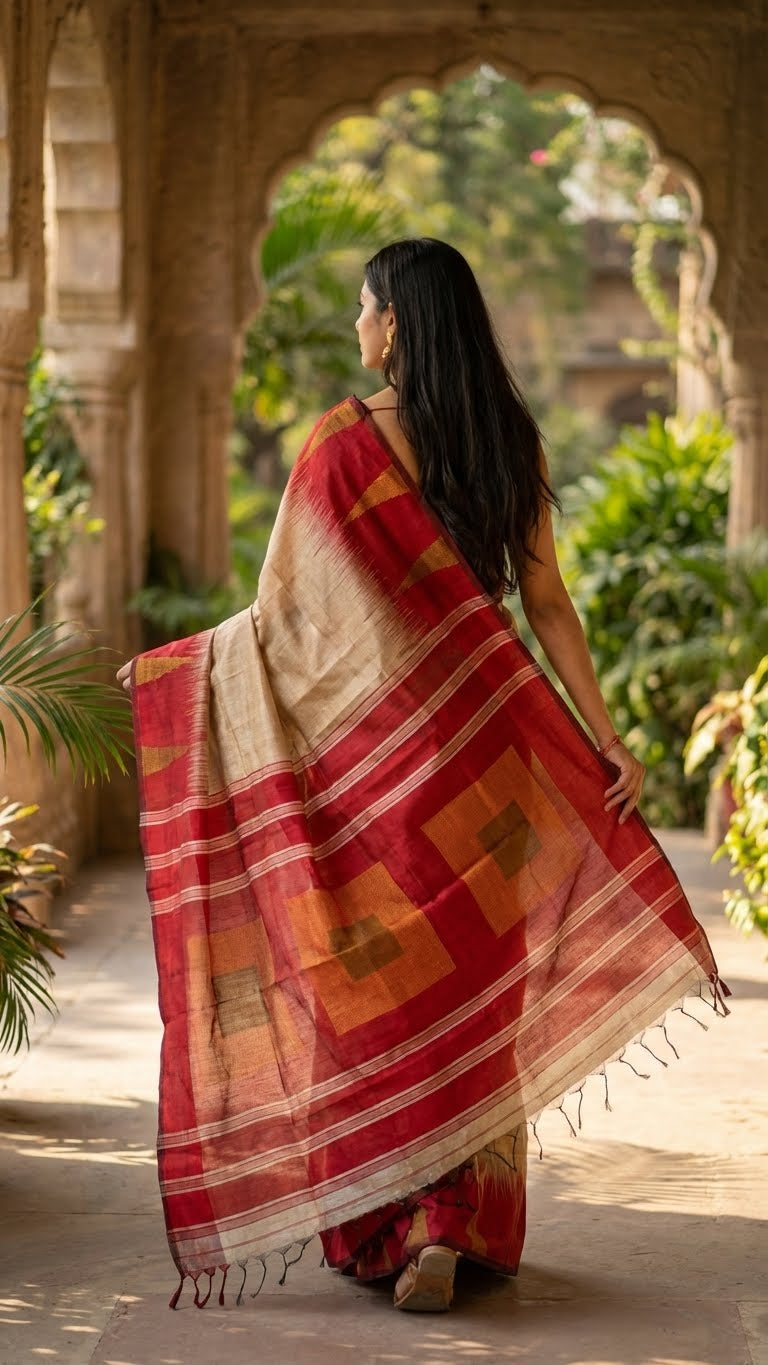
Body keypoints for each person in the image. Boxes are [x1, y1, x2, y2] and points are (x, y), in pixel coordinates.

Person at [118, 239, 724, 1316]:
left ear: (394, 323)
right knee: (471, 1001)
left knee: (373, 989)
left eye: (363, 309)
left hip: (375, 785)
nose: (358, 328)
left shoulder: (342, 446)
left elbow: (285, 631)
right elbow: (548, 611)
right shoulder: (509, 440)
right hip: (484, 769)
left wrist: (175, 673)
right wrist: (609, 738)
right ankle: (454, 1223)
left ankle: (395, 1225)